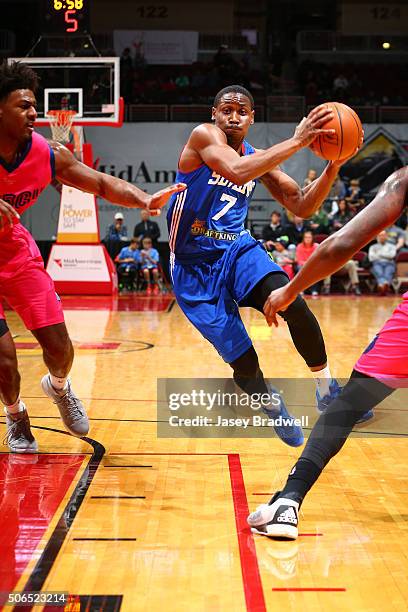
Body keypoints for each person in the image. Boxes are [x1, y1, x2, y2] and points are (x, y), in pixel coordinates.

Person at [0, 60, 185, 452]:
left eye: (35, 105)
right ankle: (17, 417)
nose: (35, 113)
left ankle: (60, 387)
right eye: (24, 106)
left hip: (15, 255)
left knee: (60, 347)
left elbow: (100, 183)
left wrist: (143, 198)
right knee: (4, 360)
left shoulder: (47, 154)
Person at [166, 84, 354, 448]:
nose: (233, 116)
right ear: (214, 114)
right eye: (226, 110)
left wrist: (333, 166)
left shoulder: (258, 158)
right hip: (193, 268)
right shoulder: (204, 137)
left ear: (252, 118)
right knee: (245, 363)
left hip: (237, 250)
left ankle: (327, 388)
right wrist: (299, 142)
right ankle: (270, 402)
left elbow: (301, 206)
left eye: (242, 111)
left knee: (294, 303)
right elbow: (236, 171)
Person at [248, 166, 407, 539]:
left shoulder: (402, 181)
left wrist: (290, 290)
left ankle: (289, 501)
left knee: (347, 405)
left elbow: (339, 245)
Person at [368, 230, 397, 295]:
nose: (382, 237)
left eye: (384, 235)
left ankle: (381, 285)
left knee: (388, 273)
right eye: (380, 235)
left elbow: (392, 255)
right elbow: (371, 258)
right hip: (377, 263)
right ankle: (385, 285)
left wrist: (379, 254)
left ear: (387, 236)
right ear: (377, 237)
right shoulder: (372, 247)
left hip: (389, 263)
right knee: (379, 273)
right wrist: (386, 255)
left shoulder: (392, 246)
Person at [295, 231, 320, 295]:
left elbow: (317, 259)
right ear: (303, 238)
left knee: (315, 269)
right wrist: (306, 264)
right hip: (302, 265)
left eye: (309, 237)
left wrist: (309, 264)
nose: (308, 239)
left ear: (312, 238)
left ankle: (314, 290)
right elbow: (298, 260)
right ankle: (301, 290)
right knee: (300, 268)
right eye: (306, 237)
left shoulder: (316, 246)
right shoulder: (299, 246)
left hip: (313, 265)